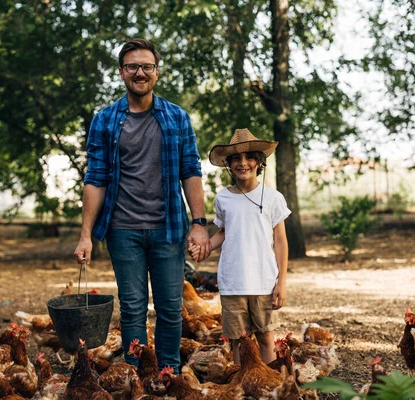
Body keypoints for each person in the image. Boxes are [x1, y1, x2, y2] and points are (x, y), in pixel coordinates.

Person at [73, 38, 210, 373]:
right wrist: (86, 234)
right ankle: (135, 376)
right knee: (132, 308)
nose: (140, 72)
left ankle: (168, 374)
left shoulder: (177, 118)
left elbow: (190, 170)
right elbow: (96, 178)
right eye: (132, 66)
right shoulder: (105, 120)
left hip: (169, 229)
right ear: (122, 73)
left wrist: (199, 222)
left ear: (156, 73)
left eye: (146, 66)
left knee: (169, 308)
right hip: (123, 231)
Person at [190, 128, 290, 364]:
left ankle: (267, 385)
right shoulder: (223, 198)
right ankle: (240, 386)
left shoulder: (273, 198)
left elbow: (280, 241)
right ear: (229, 164)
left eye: (249, 157)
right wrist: (205, 246)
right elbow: (225, 232)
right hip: (233, 282)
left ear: (259, 162)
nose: (243, 163)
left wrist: (281, 282)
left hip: (263, 281)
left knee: (266, 338)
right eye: (236, 158)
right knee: (238, 340)